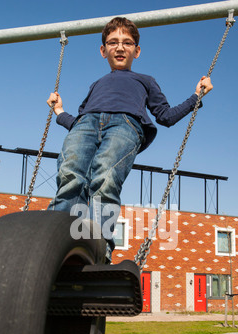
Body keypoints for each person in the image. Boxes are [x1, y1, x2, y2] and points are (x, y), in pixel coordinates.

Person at [47, 16, 213, 262]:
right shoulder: (96, 84)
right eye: (113, 42)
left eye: (127, 42)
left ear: (137, 50)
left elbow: (165, 116)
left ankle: (97, 247)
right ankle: (52, 240)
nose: (120, 47)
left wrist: (196, 97)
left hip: (125, 125)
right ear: (103, 51)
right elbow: (79, 123)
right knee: (71, 174)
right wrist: (60, 112)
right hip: (86, 123)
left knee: (105, 177)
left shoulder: (145, 80)